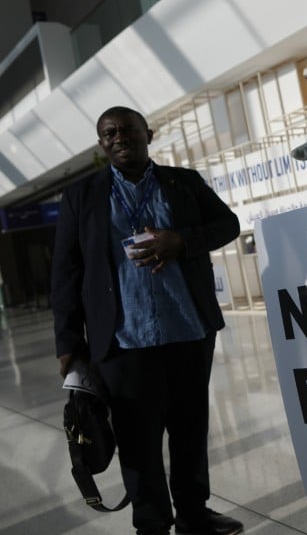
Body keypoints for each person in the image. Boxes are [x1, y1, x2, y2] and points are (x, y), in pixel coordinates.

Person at [51, 106, 243, 535]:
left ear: (148, 134)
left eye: (128, 130)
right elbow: (65, 273)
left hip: (187, 330)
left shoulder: (183, 182)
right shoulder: (81, 196)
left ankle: (194, 514)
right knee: (137, 441)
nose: (119, 137)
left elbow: (227, 225)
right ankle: (152, 525)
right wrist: (69, 345)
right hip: (123, 342)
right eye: (109, 133)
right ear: (102, 144)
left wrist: (182, 241)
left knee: (190, 431)